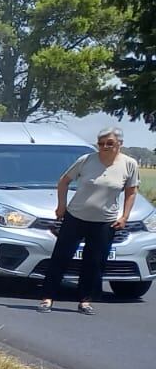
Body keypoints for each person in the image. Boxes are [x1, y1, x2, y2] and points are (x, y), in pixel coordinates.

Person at [39, 127, 141, 315]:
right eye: (100, 143)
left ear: (120, 144)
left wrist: (125, 216)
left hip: (105, 221)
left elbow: (131, 192)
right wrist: (61, 206)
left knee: (94, 262)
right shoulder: (86, 160)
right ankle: (47, 298)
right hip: (76, 217)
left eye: (109, 143)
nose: (104, 147)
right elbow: (63, 181)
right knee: (60, 258)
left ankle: (85, 300)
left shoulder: (129, 164)